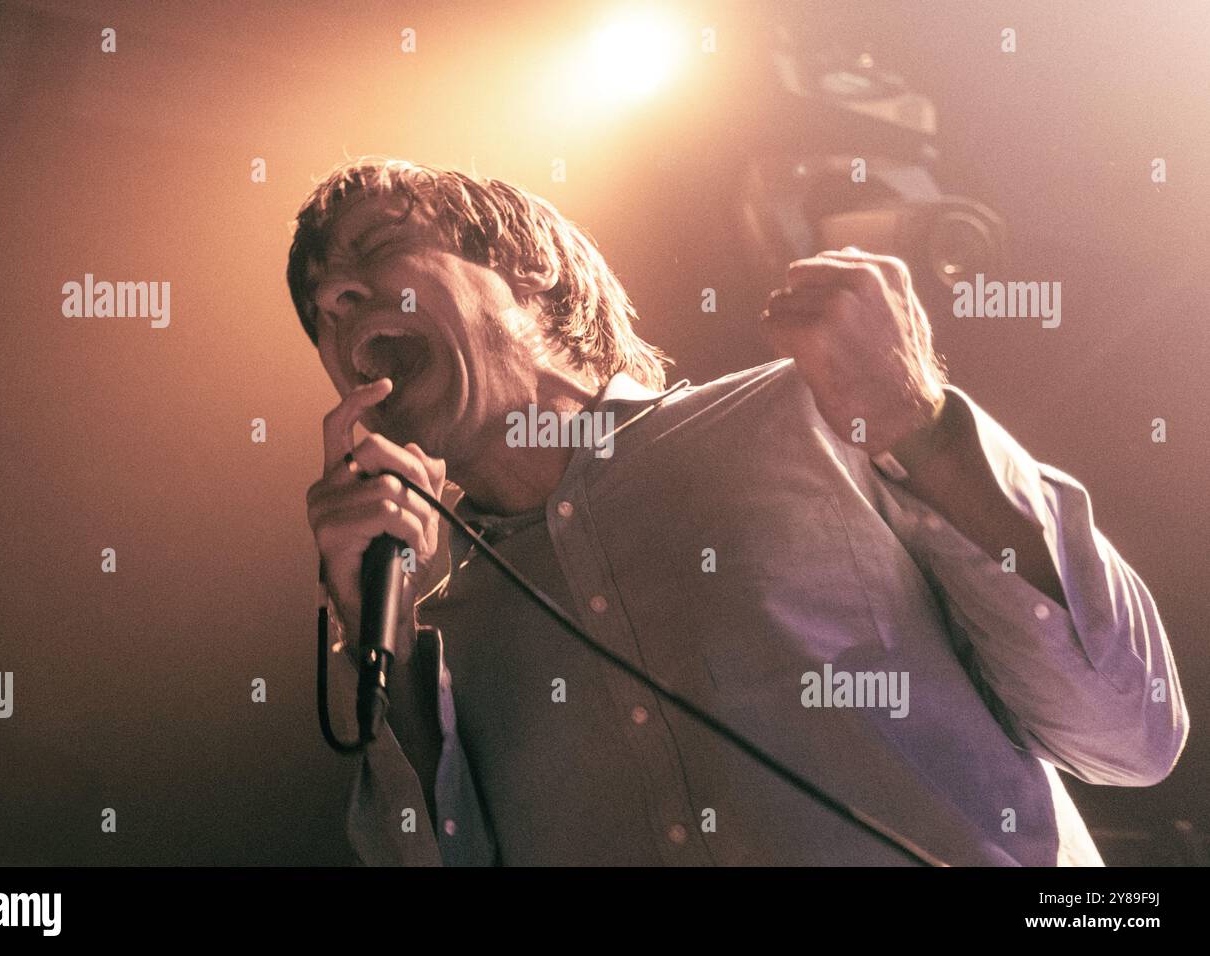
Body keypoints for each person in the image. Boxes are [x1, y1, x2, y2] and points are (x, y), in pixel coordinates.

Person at [287, 157, 1187, 866]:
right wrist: (383, 636)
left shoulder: (811, 412)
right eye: (319, 302)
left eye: (372, 251)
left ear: (529, 266)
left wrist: (921, 421)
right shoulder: (432, 634)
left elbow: (1129, 729)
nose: (334, 300)